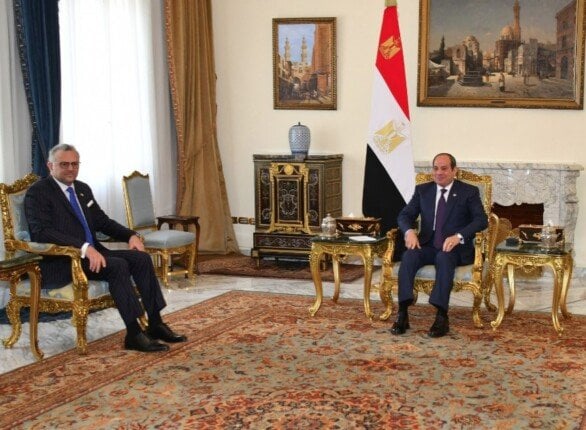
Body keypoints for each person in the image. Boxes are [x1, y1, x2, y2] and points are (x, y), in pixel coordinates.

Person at [24, 144, 186, 353]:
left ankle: (155, 323)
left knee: (142, 259)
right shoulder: (38, 192)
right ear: (50, 166)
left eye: (75, 164)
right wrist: (83, 248)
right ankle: (134, 333)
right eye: (64, 164)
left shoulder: (82, 189)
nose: (71, 169)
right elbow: (42, 232)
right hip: (64, 261)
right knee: (117, 265)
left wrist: (130, 235)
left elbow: (102, 222)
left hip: (94, 254)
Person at [391, 153, 488, 338]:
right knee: (409, 255)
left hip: (454, 248)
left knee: (444, 258)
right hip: (428, 244)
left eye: (444, 168)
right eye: (436, 168)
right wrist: (409, 231)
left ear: (454, 170)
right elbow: (404, 216)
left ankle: (441, 316)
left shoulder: (468, 191)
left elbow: (481, 220)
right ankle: (403, 311)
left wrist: (459, 236)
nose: (439, 172)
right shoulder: (423, 190)